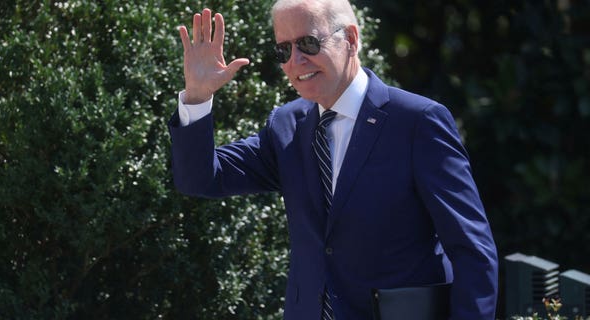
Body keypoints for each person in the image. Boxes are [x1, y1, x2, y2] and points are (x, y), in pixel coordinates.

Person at [168, 0, 498, 319]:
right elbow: (201, 178)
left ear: (351, 39)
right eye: (283, 50)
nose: (295, 61)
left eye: (308, 43)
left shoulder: (417, 122)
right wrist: (198, 97)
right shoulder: (286, 126)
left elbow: (472, 250)